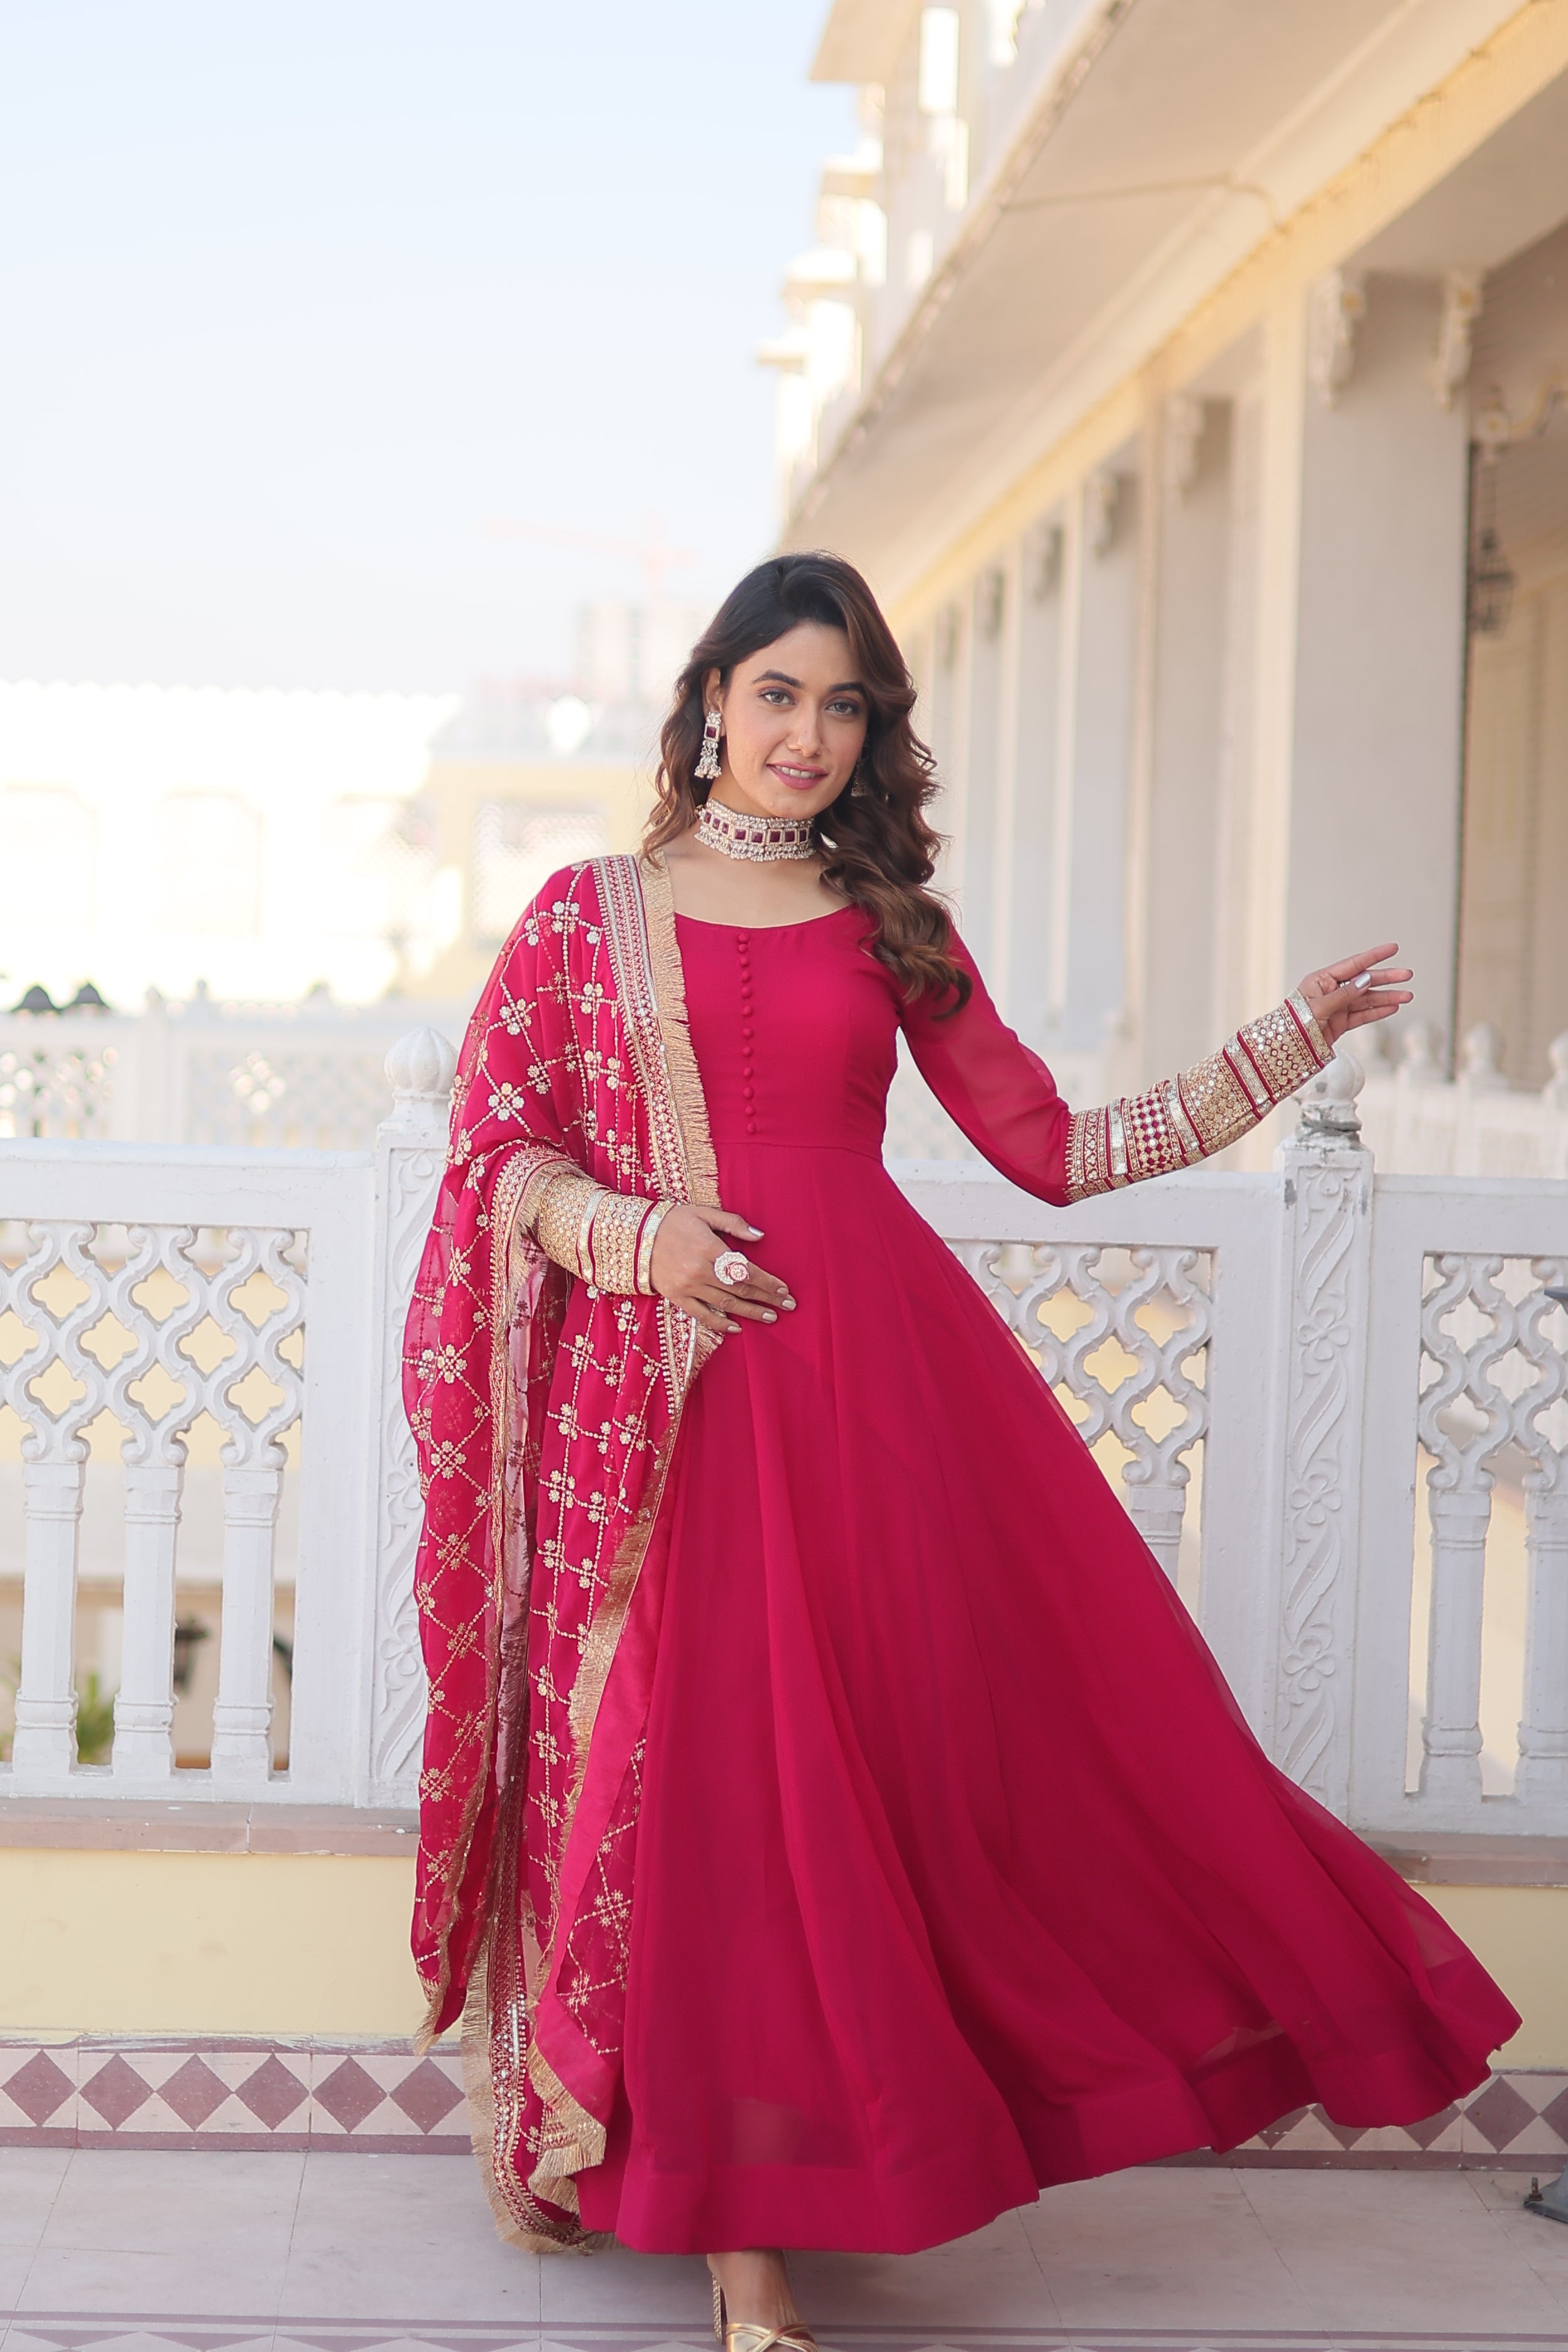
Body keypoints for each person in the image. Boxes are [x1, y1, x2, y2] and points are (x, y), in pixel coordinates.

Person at [405, 552, 1518, 2352]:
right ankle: (742, 2250)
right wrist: (642, 1239)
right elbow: (490, 1158)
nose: (807, 735)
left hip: (874, 1395)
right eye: (777, 695)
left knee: (937, 1785)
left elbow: (1054, 1150)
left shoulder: (889, 925)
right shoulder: (579, 916)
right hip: (677, 1406)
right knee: (699, 1803)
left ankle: (845, 2165)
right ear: (707, 703)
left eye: (845, 705)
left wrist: (1281, 1045)